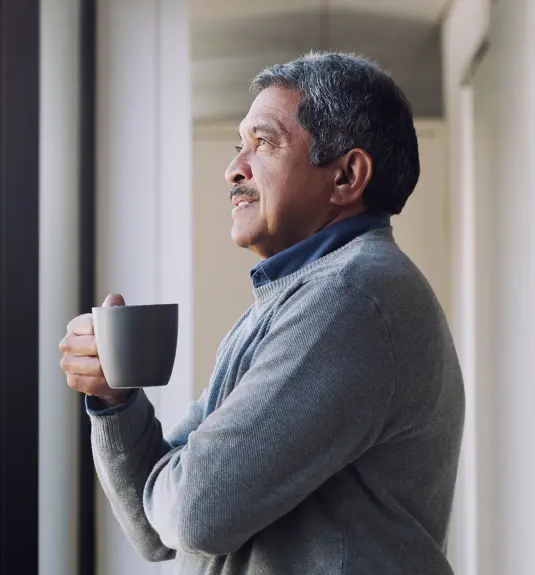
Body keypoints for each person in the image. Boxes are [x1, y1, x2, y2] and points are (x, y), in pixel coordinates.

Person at [60, 52, 464, 574]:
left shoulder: (352, 297)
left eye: (265, 142)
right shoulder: (292, 298)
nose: (234, 168)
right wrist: (114, 401)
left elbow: (195, 516)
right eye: (239, 146)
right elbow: (154, 529)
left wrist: (178, 485)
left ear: (346, 176)